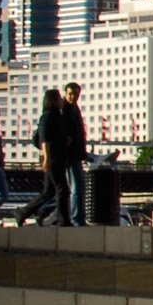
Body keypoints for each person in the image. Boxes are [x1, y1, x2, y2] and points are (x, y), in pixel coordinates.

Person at [29, 88, 70, 224]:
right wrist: (46, 158)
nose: (61, 100)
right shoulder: (47, 116)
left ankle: (23, 211)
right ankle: (63, 220)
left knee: (49, 191)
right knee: (62, 189)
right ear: (52, 101)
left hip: (58, 157)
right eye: (59, 98)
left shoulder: (57, 116)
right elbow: (45, 139)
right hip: (52, 158)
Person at [61, 82, 90, 226]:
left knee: (78, 188)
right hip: (70, 155)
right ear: (65, 93)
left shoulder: (74, 109)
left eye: (76, 94)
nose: (73, 97)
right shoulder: (64, 109)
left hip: (76, 154)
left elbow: (79, 132)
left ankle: (78, 217)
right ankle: (76, 218)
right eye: (70, 94)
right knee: (76, 188)